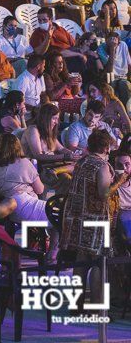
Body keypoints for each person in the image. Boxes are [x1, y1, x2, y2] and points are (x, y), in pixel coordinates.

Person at [61, 130, 126, 307]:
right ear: (106, 147)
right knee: (99, 262)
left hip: (77, 217)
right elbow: (103, 193)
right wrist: (119, 181)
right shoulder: (102, 166)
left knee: (81, 262)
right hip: (95, 219)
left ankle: (77, 305)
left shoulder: (82, 162)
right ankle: (98, 308)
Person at [0, 133, 48, 223]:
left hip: (2, 203)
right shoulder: (24, 162)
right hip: (24, 204)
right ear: (18, 146)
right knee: (57, 216)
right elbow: (39, 190)